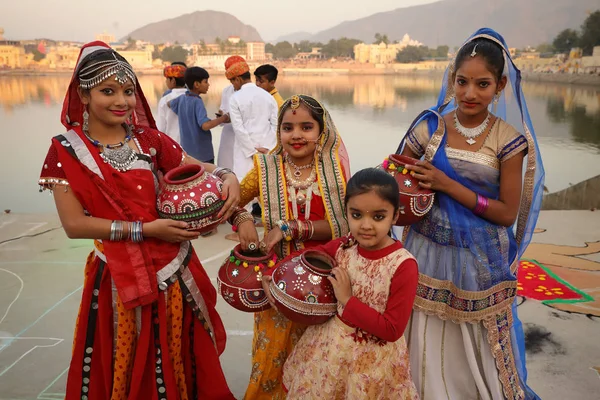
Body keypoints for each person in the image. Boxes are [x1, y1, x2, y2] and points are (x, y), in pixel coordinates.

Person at [38, 41, 240, 400]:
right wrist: (146, 230)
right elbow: (74, 225)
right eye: (108, 91)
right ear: (83, 95)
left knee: (178, 354)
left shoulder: (147, 140)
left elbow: (196, 167)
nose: (122, 101)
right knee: (125, 359)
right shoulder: (65, 150)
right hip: (117, 276)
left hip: (174, 270)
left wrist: (227, 175)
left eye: (128, 91)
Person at [398, 28, 544, 400]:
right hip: (426, 249)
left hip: (480, 259)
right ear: (452, 79)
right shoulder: (429, 127)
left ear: (500, 85)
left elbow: (506, 213)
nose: (470, 94)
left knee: (477, 344)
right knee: (424, 332)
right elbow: (394, 177)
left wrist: (446, 185)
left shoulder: (507, 140)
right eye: (462, 82)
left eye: (482, 84)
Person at [231, 94, 351, 399]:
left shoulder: (333, 171)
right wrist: (243, 218)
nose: (296, 135)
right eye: (288, 128)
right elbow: (231, 202)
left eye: (306, 127)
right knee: (270, 361)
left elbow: (344, 224)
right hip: (273, 282)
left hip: (323, 282)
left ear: (322, 132)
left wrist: (288, 227)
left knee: (318, 364)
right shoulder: (266, 168)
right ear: (278, 132)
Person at [282, 168, 419, 399]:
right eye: (357, 215)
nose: (365, 225)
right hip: (329, 352)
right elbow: (307, 256)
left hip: (371, 363)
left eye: (378, 217)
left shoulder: (403, 265)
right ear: (346, 212)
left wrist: (347, 300)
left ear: (395, 216)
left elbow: (392, 329)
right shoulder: (345, 245)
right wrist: (274, 271)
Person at [226, 56, 278, 180]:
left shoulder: (235, 98)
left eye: (232, 82)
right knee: (265, 188)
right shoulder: (268, 96)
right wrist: (269, 148)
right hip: (266, 151)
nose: (233, 85)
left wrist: (252, 152)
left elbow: (239, 129)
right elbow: (275, 125)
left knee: (245, 189)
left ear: (238, 79)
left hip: (245, 153)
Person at [169, 66, 229, 164]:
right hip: (202, 154)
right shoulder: (197, 101)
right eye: (205, 82)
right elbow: (205, 126)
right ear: (196, 84)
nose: (208, 85)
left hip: (187, 153)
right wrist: (223, 118)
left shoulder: (182, 99)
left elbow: (169, 103)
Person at [216, 56, 241, 171]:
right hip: (228, 135)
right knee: (226, 169)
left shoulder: (253, 91)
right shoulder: (227, 90)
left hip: (243, 135)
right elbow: (223, 109)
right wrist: (222, 115)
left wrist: (232, 118)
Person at [156, 62, 187, 142]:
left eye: (167, 79)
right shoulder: (193, 97)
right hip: (190, 144)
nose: (166, 82)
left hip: (172, 143)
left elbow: (160, 127)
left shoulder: (165, 99)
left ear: (173, 80)